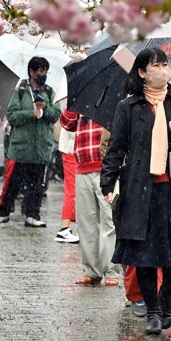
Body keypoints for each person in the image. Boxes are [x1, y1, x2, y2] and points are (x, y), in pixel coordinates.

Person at [100, 47, 171, 335]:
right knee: (144, 255)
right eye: (156, 65)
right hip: (139, 189)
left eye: (165, 65)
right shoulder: (128, 107)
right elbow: (116, 148)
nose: (163, 70)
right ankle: (154, 311)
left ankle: (166, 298)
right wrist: (108, 183)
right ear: (142, 72)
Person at [0, 57, 60, 228]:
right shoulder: (20, 90)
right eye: (39, 71)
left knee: (37, 185)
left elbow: (56, 114)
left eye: (45, 71)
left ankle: (32, 213)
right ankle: (3, 212)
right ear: (31, 72)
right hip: (21, 148)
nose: (42, 74)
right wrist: (31, 113)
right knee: (13, 184)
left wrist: (44, 111)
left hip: (40, 147)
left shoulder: (49, 92)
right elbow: (12, 115)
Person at [60, 110, 119, 285]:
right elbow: (66, 124)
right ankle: (91, 271)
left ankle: (112, 271)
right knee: (86, 222)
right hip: (82, 166)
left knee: (110, 221)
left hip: (107, 168)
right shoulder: (80, 98)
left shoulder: (113, 97)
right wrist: (72, 107)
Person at [55, 114, 80, 244]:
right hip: (72, 151)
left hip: (74, 150)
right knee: (73, 190)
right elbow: (70, 124)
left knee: (76, 190)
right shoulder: (76, 103)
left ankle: (69, 227)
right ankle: (64, 228)